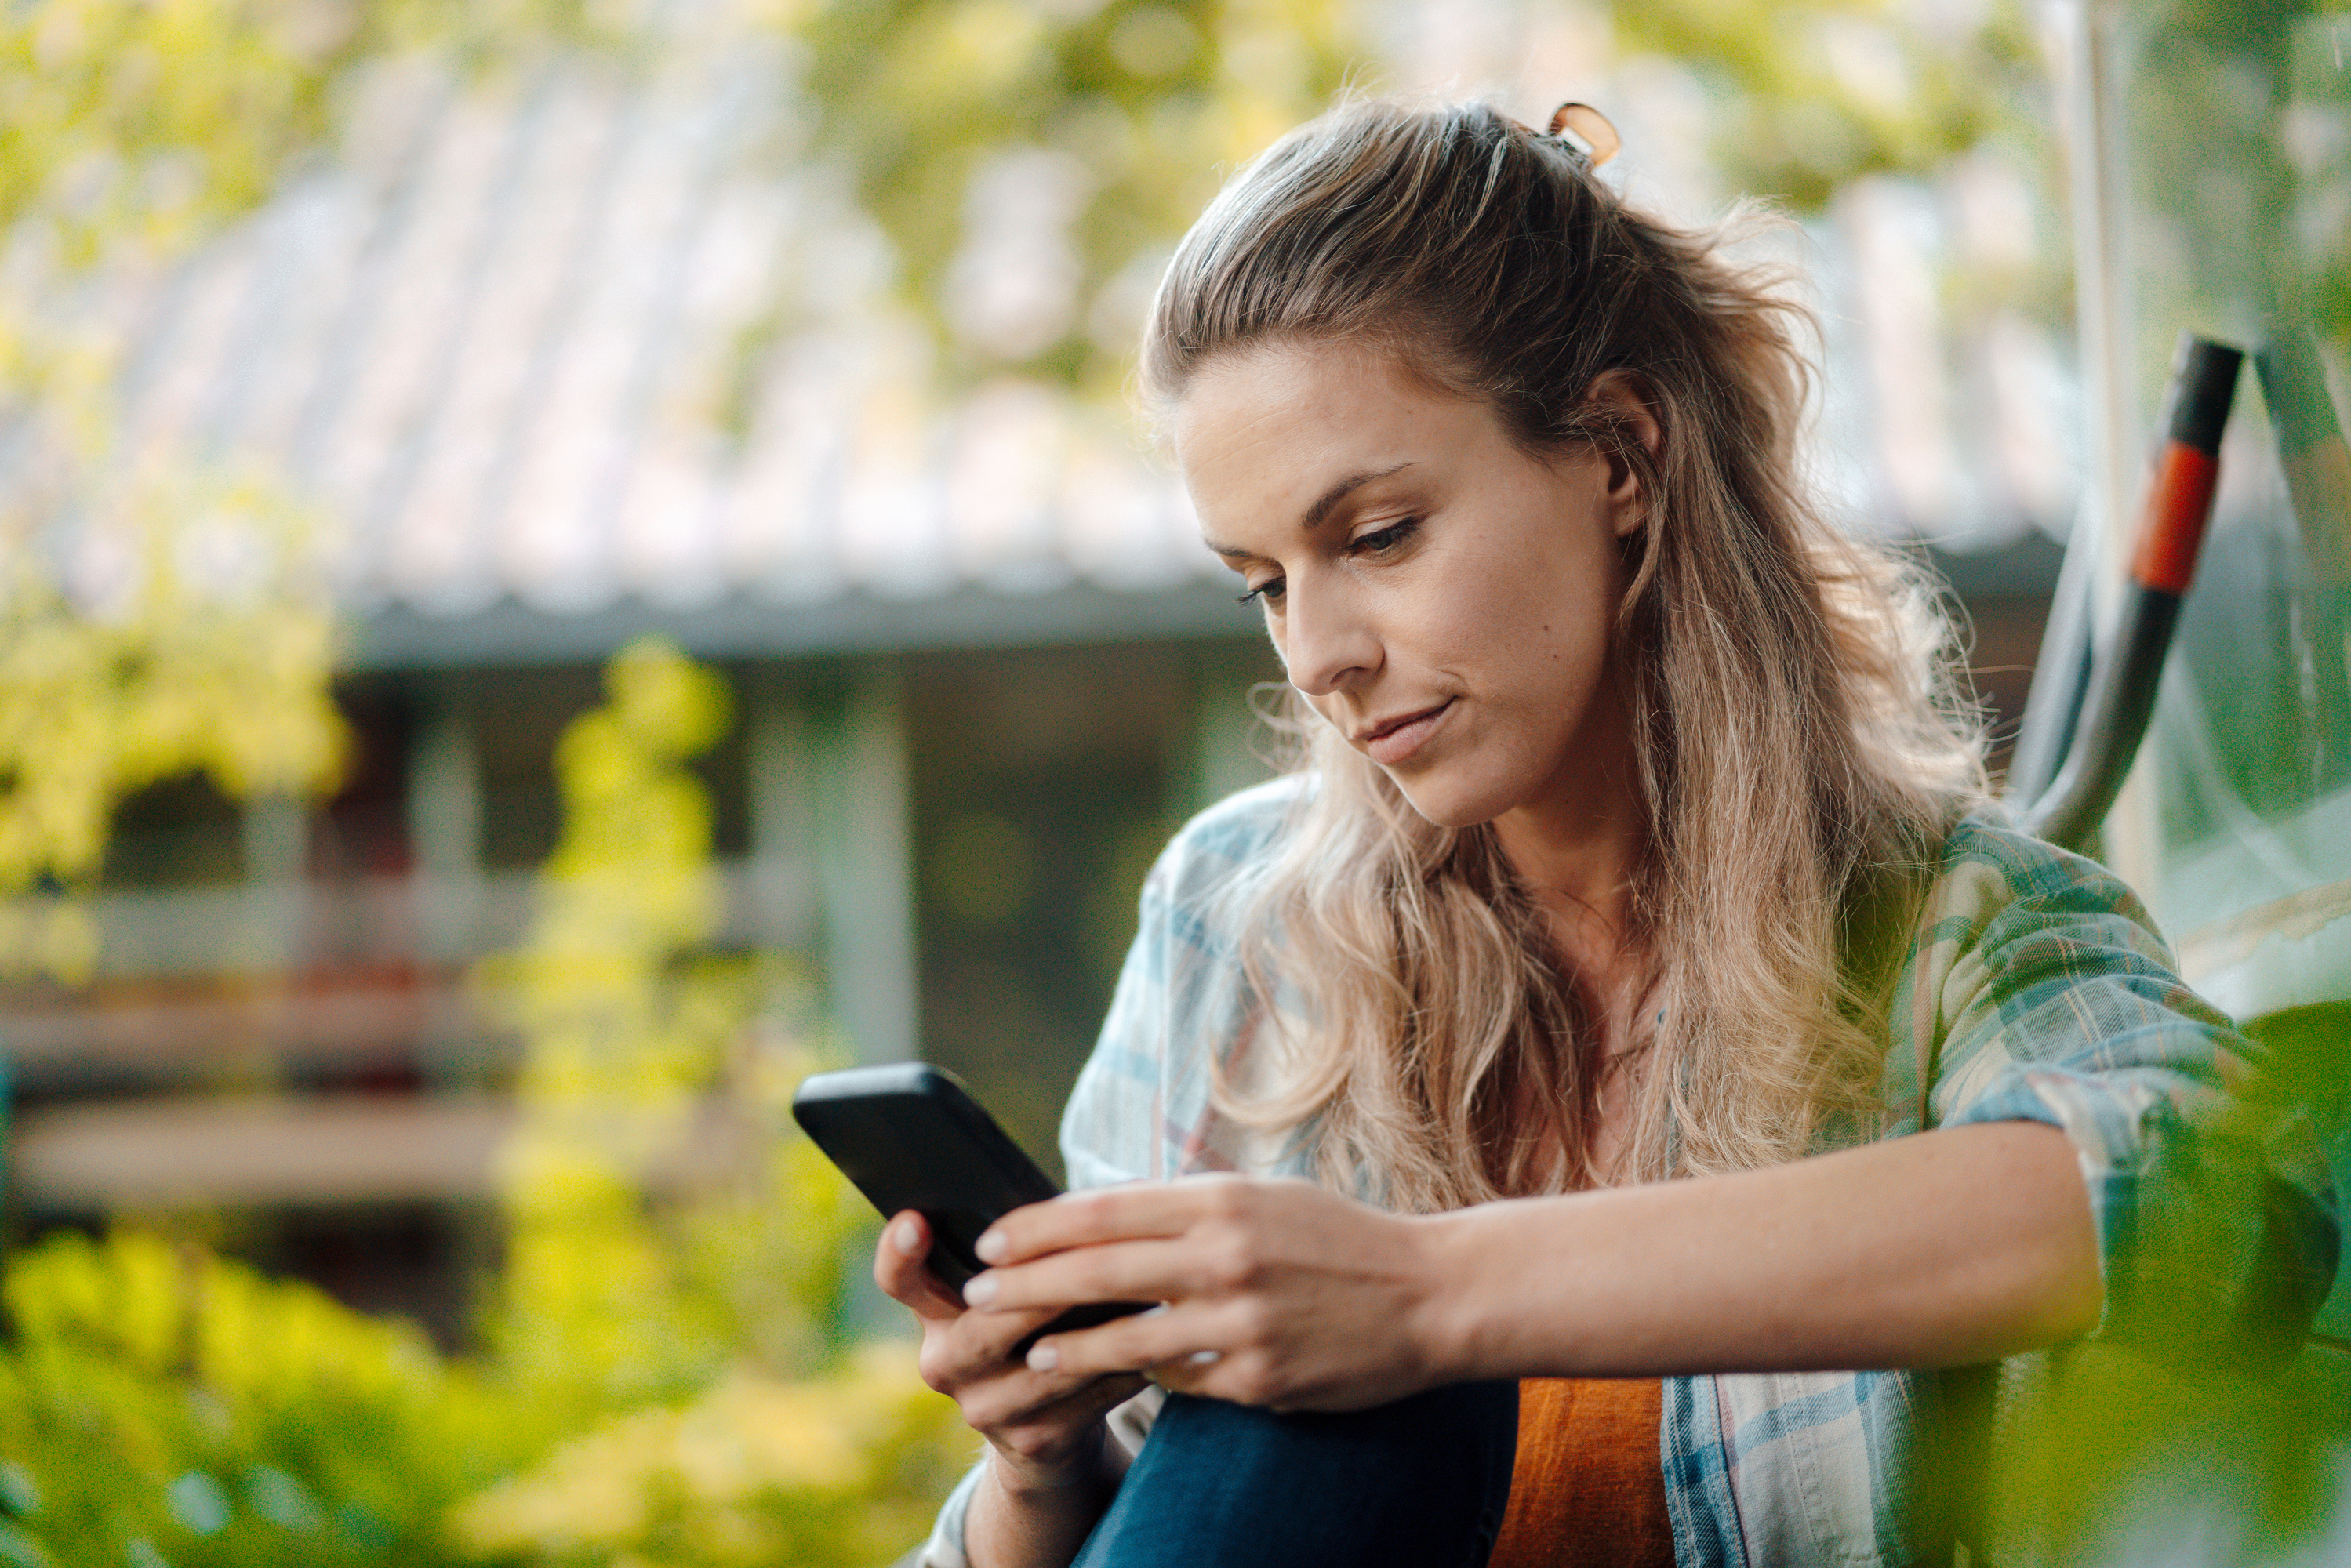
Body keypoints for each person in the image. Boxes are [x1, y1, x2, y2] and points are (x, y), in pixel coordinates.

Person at [875, 96, 2288, 1568]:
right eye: (1264, 583)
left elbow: (2213, 1186)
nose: (1318, 656)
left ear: (1617, 453)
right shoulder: (1235, 919)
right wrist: (1039, 1470)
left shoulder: (1952, 934)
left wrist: (1423, 1297)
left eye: (1374, 538)